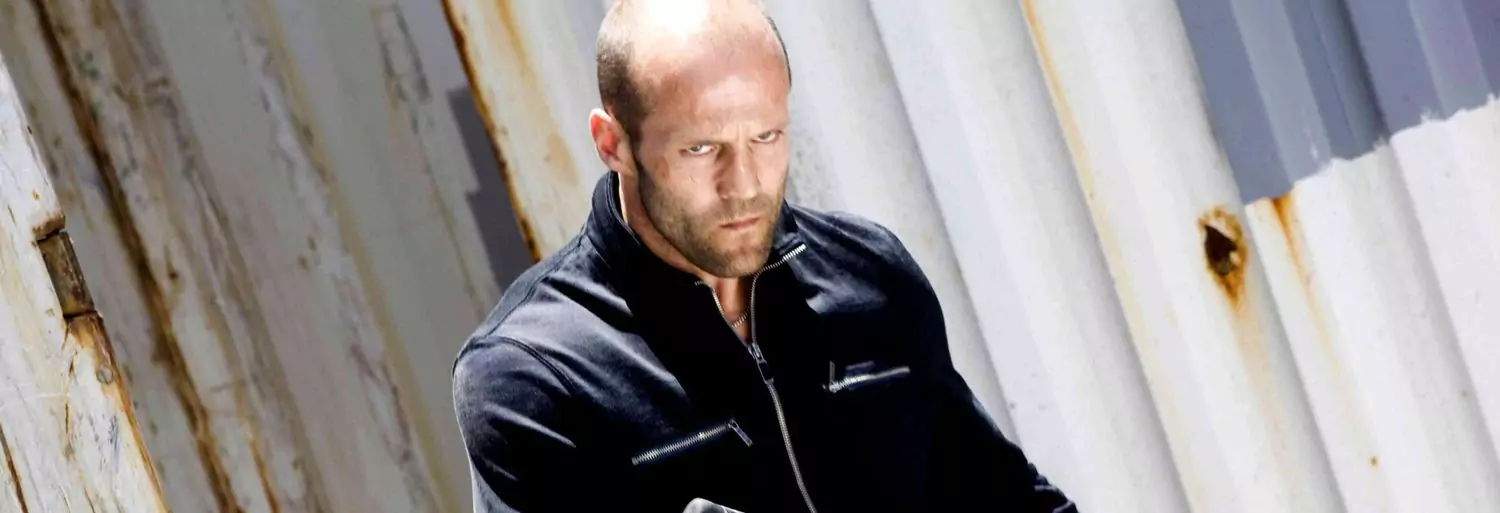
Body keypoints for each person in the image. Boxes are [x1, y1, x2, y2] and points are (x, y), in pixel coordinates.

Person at [451, 0, 1076, 511]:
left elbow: (1007, 500)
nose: (744, 184)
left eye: (766, 136)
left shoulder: (870, 276)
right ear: (612, 143)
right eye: (701, 149)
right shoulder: (529, 375)